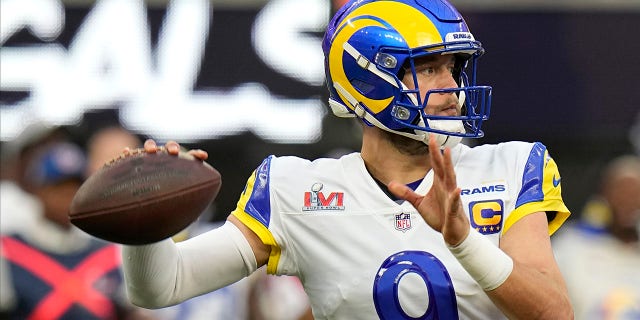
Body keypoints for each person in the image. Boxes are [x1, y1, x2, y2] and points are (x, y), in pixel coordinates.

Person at [120, 0, 573, 319]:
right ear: (369, 80)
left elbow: (554, 313)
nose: (452, 88)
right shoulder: (294, 190)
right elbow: (161, 287)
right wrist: (143, 221)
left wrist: (463, 242)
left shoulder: (512, 167)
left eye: (453, 67)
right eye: (431, 68)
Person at [0, 141, 132, 319]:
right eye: (58, 188)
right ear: (38, 191)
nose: (68, 196)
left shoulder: (109, 252)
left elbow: (128, 312)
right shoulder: (8, 251)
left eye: (75, 187)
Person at [553, 155, 640, 319]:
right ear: (604, 195)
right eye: (621, 191)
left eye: (636, 193)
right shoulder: (571, 245)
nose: (629, 201)